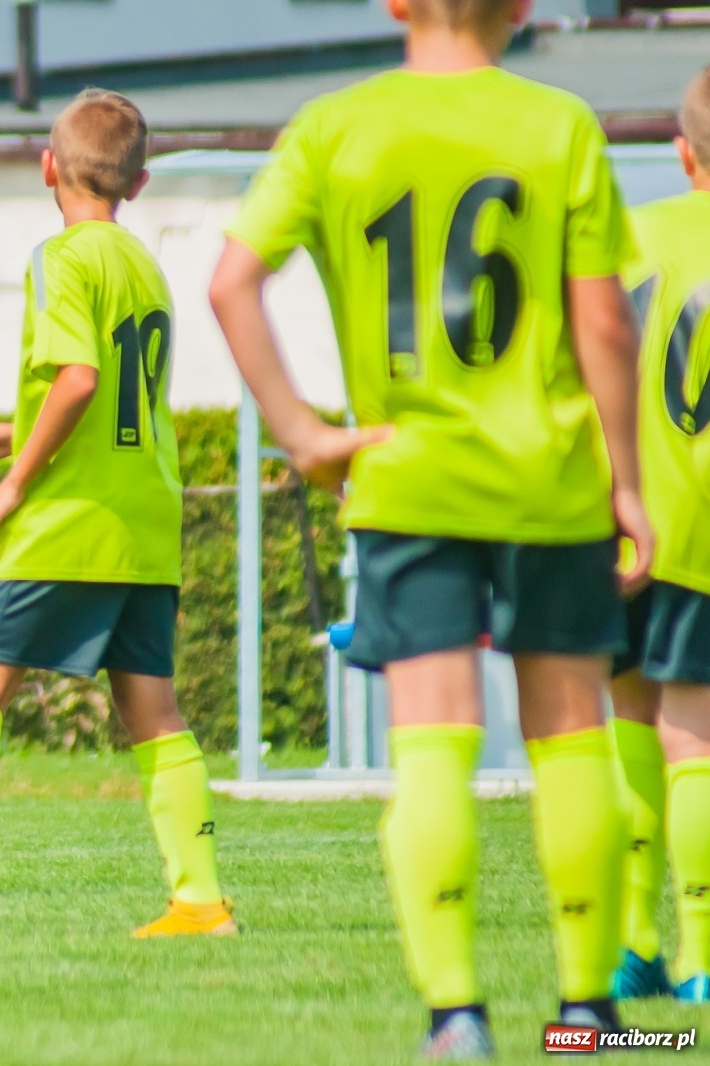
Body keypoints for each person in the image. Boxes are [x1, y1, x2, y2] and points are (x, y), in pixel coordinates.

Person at [209, 0, 650, 1057]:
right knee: (570, 734)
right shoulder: (558, 125)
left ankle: (456, 1016)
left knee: (431, 750)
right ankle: (586, 1015)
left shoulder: (331, 126)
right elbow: (601, 320)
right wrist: (625, 483)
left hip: (405, 480)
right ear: (527, 9)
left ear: (393, 3)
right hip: (547, 482)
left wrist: (303, 431)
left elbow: (231, 282)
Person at [0, 89, 233, 940]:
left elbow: (79, 380)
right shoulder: (145, 267)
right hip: (144, 521)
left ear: (46, 167)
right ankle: (200, 900)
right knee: (154, 712)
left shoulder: (61, 258)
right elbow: (113, 405)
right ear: (137, 185)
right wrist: (6, 437)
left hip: (69, 517)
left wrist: (11, 486)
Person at [608, 65, 710, 1006]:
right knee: (696, 740)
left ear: (683, 154)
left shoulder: (634, 237)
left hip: (643, 518)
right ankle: (700, 954)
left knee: (638, 724)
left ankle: (638, 941)